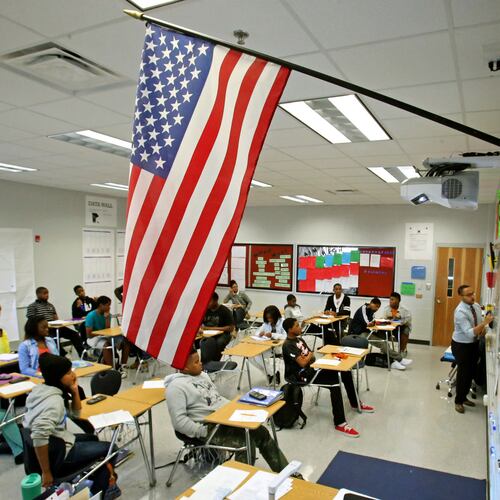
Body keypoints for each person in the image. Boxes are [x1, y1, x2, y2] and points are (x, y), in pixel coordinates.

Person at [165, 348, 289, 472]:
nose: (201, 363)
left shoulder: (202, 375)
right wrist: (201, 431)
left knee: (262, 433)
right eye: (196, 362)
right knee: (245, 443)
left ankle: (287, 474)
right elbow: (179, 421)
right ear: (185, 368)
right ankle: (241, 482)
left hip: (225, 418)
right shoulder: (175, 388)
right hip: (207, 426)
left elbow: (216, 398)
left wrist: (234, 406)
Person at [23, 353, 120, 497]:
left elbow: (75, 415)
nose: (73, 374)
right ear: (58, 377)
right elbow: (38, 436)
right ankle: (101, 490)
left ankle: (100, 477)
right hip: (59, 455)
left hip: (57, 443)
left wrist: (75, 392)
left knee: (92, 439)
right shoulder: (53, 402)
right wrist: (47, 472)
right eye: (68, 372)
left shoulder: (41, 390)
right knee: (112, 448)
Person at [282, 318, 374, 438]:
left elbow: (311, 357)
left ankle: (355, 403)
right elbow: (303, 362)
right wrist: (310, 355)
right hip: (301, 375)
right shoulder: (288, 345)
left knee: (344, 371)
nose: (300, 327)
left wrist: (310, 356)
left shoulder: (299, 339)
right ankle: (340, 422)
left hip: (312, 368)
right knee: (334, 382)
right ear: (290, 329)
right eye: (297, 325)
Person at [451, 284, 493, 414]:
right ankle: (458, 401)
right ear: (461, 296)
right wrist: (484, 323)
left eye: (473, 293)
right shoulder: (460, 312)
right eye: (469, 295)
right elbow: (469, 333)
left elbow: (477, 325)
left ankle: (464, 397)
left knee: (471, 372)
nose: (472, 297)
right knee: (463, 374)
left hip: (473, 344)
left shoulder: (475, 306)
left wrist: (483, 328)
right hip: (461, 345)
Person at [351, 298, 412, 371]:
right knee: (383, 343)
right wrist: (374, 323)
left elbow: (373, 321)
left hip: (367, 331)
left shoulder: (372, 311)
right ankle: (399, 359)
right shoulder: (363, 309)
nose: (377, 309)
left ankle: (391, 361)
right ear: (371, 303)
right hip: (359, 334)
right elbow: (368, 323)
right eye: (376, 306)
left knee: (384, 338)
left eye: (378, 307)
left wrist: (377, 323)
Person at [27, 287, 84, 357]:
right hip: (43, 329)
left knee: (74, 334)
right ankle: (63, 356)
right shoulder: (32, 306)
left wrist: (60, 323)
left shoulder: (50, 305)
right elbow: (32, 321)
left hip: (54, 327)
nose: (47, 295)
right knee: (53, 339)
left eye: (47, 293)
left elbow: (56, 318)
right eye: (44, 293)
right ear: (38, 294)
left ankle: (83, 355)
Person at [0, 304, 24, 464]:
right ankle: (21, 449)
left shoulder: (2, 332)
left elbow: (5, 354)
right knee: (3, 415)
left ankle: (18, 444)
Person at [85, 296, 130, 371]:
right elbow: (88, 335)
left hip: (104, 336)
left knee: (125, 342)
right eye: (108, 305)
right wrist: (100, 333)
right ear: (101, 305)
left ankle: (123, 366)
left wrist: (107, 318)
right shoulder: (91, 316)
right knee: (107, 345)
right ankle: (112, 368)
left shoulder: (107, 314)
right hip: (93, 338)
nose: (109, 307)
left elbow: (107, 330)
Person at [251, 305, 286, 384]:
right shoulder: (266, 323)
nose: (269, 320)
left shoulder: (283, 322)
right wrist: (260, 334)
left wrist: (273, 335)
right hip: (266, 346)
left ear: (276, 316)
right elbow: (257, 332)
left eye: (271, 318)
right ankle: (273, 372)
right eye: (267, 318)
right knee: (251, 357)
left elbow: (285, 336)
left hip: (278, 347)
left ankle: (270, 373)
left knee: (258, 357)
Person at [199, 292, 234, 364]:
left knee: (219, 343)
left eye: (210, 301)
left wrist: (210, 328)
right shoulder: (205, 310)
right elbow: (198, 323)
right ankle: (202, 362)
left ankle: (214, 363)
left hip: (223, 334)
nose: (207, 303)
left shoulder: (225, 311)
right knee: (196, 341)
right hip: (207, 333)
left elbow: (231, 328)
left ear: (216, 300)